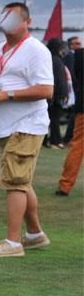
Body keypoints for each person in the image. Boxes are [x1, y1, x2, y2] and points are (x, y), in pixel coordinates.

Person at [0, 2, 53, 257]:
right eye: (4, 17)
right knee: (20, 180)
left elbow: (46, 90)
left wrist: (6, 95)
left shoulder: (37, 50)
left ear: (26, 22)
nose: (6, 22)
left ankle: (12, 242)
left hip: (27, 123)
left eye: (12, 18)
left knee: (15, 181)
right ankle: (34, 234)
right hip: (5, 125)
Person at [56, 40, 84, 196]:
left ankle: (65, 185)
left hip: (82, 106)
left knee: (77, 146)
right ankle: (65, 185)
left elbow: (77, 80)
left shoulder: (79, 56)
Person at [42, 38, 69, 149]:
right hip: (55, 96)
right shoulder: (55, 60)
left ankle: (51, 141)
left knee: (52, 119)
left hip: (55, 95)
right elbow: (57, 81)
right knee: (54, 120)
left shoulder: (53, 59)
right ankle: (54, 141)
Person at [63, 36, 81, 141]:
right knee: (75, 114)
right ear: (71, 45)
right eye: (77, 43)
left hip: (76, 89)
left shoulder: (75, 56)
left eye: (80, 43)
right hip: (75, 89)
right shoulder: (70, 56)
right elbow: (71, 73)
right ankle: (69, 137)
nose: (79, 45)